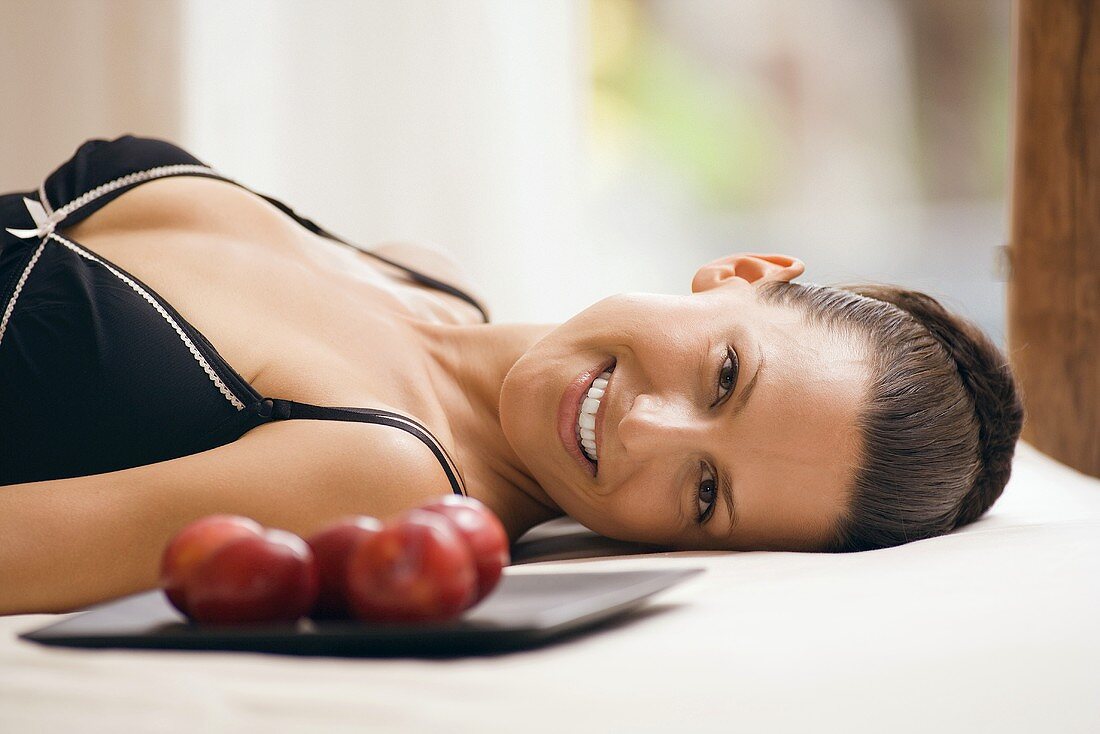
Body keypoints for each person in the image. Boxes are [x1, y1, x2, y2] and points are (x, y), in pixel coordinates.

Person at [0, 136, 1024, 614]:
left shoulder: (384, 475)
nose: (646, 434)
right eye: (723, 375)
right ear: (741, 273)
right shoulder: (432, 280)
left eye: (705, 491)